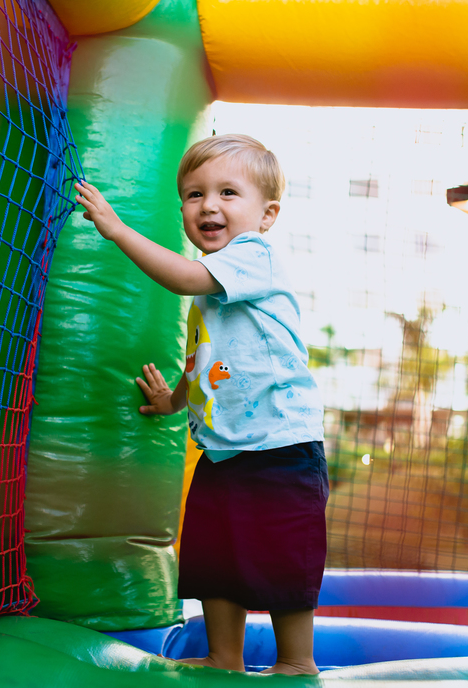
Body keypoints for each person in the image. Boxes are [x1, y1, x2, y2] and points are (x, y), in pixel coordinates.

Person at [74, 134, 327, 675]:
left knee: (283, 552)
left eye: (228, 192)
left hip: (282, 445)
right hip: (223, 449)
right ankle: (222, 656)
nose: (209, 205)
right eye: (193, 194)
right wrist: (174, 400)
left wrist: (117, 230)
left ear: (267, 214)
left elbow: (182, 275)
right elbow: (205, 361)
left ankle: (297, 662)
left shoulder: (250, 257)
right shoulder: (213, 288)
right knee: (214, 553)